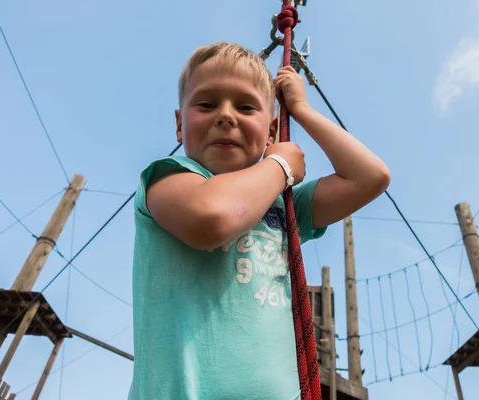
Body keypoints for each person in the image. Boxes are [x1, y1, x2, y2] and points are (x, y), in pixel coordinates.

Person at [128, 41, 391, 400]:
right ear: (179, 124)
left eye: (245, 106)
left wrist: (301, 111)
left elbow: (371, 177)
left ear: (271, 131)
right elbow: (213, 218)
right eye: (206, 104)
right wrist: (279, 165)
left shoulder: (284, 204)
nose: (226, 115)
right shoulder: (167, 179)